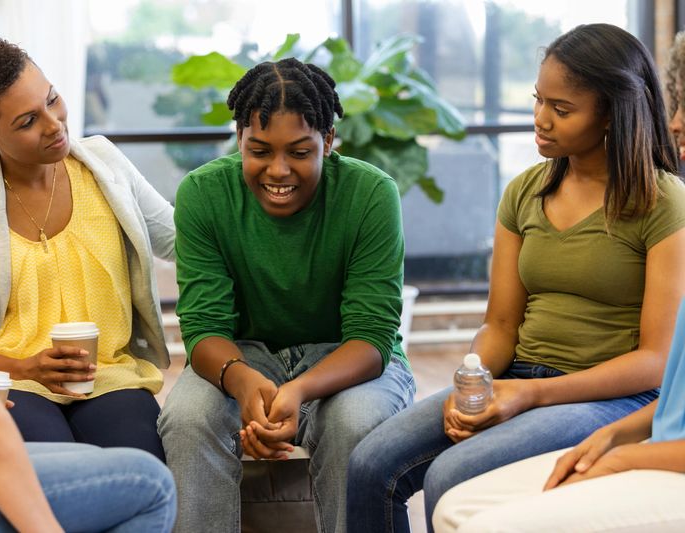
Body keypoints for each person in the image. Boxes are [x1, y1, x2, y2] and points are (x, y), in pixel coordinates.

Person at [346, 23, 685, 533]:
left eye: (561, 109)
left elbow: (656, 362)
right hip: (519, 376)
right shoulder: (525, 192)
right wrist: (475, 382)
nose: (540, 120)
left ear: (613, 114)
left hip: (608, 398)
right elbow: (501, 324)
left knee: (451, 478)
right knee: (370, 462)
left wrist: (529, 396)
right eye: (538, 100)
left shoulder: (664, 204)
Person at [0, 28, 175, 532]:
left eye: (52, 99)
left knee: (139, 463)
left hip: (108, 374)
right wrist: (24, 364)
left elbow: (184, 241)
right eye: (26, 121)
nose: (54, 124)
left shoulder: (104, 162)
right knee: (59, 485)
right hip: (11, 381)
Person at [157, 57, 416, 533]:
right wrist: (242, 382)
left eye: (300, 152)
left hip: (346, 357)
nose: (278, 171)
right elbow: (204, 328)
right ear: (239, 139)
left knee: (354, 424)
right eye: (259, 151)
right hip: (243, 356)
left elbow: (372, 337)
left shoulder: (371, 193)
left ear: (329, 141)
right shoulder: (203, 194)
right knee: (190, 418)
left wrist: (296, 391)